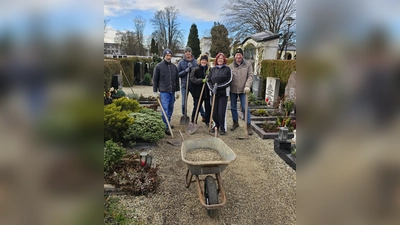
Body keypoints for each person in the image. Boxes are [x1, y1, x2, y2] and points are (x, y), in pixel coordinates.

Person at [153, 48, 180, 135]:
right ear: (164, 56)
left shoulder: (174, 67)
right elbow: (155, 79)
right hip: (164, 91)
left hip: (172, 91)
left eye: (170, 55)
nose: (168, 57)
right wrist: (155, 91)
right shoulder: (159, 66)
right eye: (167, 55)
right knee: (165, 109)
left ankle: (168, 121)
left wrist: (178, 91)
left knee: (170, 108)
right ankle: (165, 126)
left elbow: (176, 80)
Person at [229, 47, 253, 135]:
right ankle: (235, 122)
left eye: (240, 55)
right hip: (233, 90)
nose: (238, 56)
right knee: (233, 107)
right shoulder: (231, 66)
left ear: (242, 56)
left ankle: (248, 125)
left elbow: (250, 76)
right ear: (235, 56)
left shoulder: (248, 64)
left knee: (245, 107)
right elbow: (228, 78)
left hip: (244, 90)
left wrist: (247, 86)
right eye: (237, 55)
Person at [206, 53, 232, 135]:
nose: (220, 60)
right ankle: (215, 125)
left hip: (223, 93)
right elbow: (208, 80)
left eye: (222, 58)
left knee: (221, 111)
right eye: (218, 58)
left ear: (224, 60)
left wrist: (218, 87)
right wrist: (212, 88)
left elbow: (229, 81)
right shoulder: (213, 69)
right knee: (214, 111)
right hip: (214, 93)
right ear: (216, 60)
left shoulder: (227, 69)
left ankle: (222, 127)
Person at [189, 54, 211, 126]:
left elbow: (212, 79)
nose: (204, 61)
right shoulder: (195, 69)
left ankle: (207, 121)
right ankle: (193, 121)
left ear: (207, 61)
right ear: (200, 61)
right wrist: (201, 80)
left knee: (208, 107)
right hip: (198, 92)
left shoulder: (209, 69)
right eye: (202, 60)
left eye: (205, 60)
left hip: (207, 92)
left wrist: (209, 76)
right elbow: (192, 79)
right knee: (196, 107)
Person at [177, 47, 198, 118]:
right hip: (184, 85)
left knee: (197, 101)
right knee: (183, 103)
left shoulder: (196, 62)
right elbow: (177, 74)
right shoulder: (181, 63)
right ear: (184, 53)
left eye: (189, 51)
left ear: (191, 52)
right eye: (186, 52)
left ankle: (204, 116)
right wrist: (185, 71)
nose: (187, 53)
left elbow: (198, 73)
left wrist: (192, 70)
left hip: (193, 85)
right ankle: (184, 115)